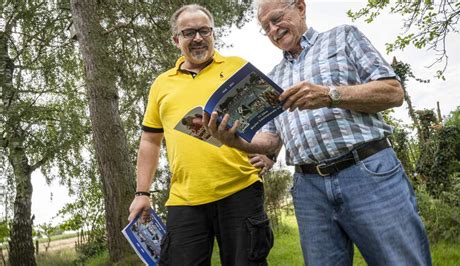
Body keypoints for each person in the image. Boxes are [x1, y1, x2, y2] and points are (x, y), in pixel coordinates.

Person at [203, 0, 432, 265]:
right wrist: (235, 141)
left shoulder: (343, 36)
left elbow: (393, 92)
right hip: (309, 188)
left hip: (367, 172)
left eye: (277, 19)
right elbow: (271, 140)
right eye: (266, 27)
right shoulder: (272, 79)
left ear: (300, 7)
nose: (273, 30)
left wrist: (329, 94)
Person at [128, 4, 274, 266]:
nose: (197, 37)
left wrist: (271, 154)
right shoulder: (162, 84)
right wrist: (142, 193)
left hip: (241, 190)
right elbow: (150, 141)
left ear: (213, 34)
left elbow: (272, 115)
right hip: (185, 200)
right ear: (176, 40)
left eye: (204, 30)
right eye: (189, 32)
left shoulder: (237, 67)